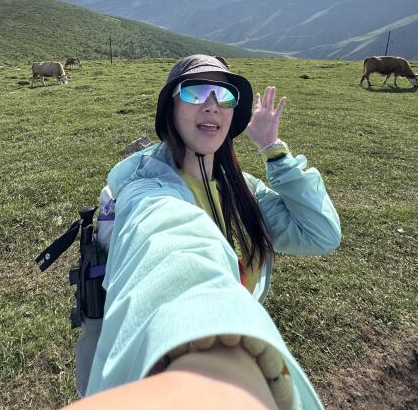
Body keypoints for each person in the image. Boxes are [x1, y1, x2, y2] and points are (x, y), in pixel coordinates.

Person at [81, 54, 341, 409]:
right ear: (169, 109)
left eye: (225, 95)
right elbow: (169, 249)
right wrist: (211, 354)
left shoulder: (244, 191)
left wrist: (273, 151)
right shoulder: (146, 192)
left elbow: (321, 233)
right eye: (196, 92)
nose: (212, 105)